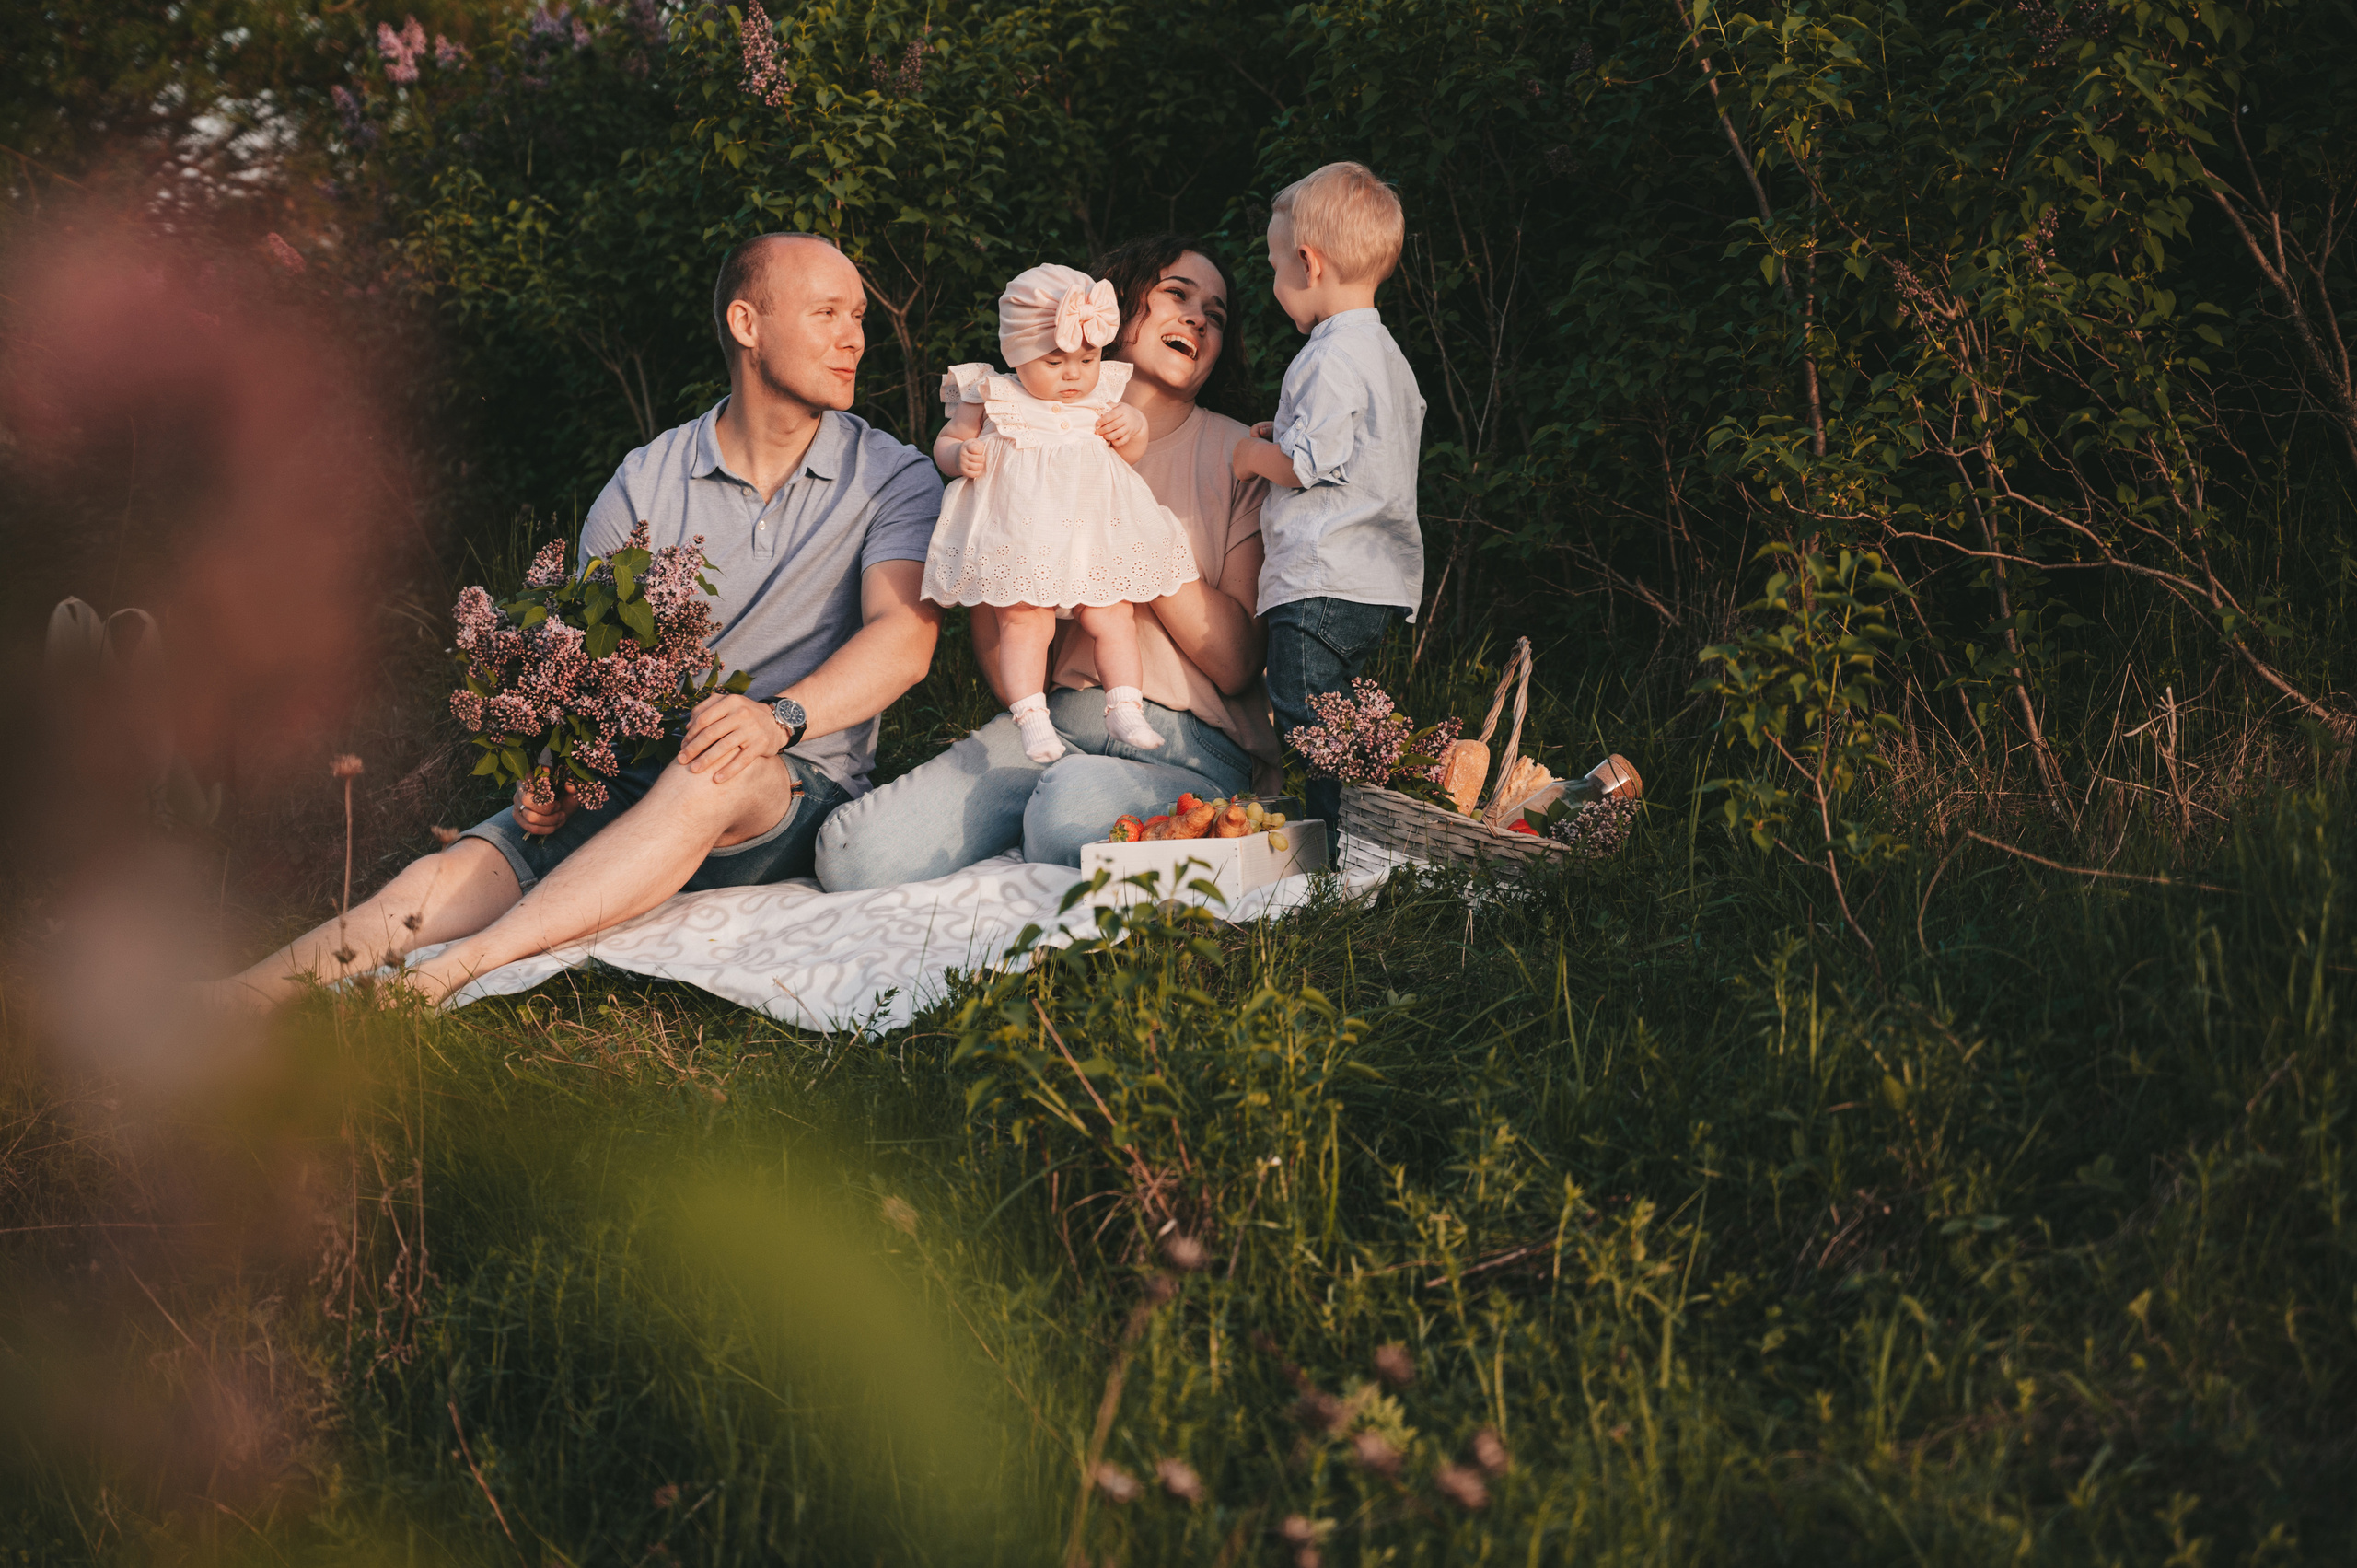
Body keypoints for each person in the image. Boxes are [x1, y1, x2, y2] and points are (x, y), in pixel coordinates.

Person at [211, 233, 944, 1008]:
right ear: (746, 323)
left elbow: (904, 640)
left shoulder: (889, 474)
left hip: (785, 791)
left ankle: (453, 972)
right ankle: (245, 995)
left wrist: (777, 719)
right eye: (827, 312)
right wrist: (556, 768)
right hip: (636, 777)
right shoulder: (647, 481)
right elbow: (589, 668)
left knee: (717, 763)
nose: (854, 337)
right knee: (474, 858)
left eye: (858, 315)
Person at [816, 235, 1278, 889]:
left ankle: (1100, 817)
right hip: (1057, 722)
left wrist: (1134, 534)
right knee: (853, 854)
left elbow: (1234, 663)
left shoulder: (1238, 453)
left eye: (1217, 314)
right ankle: (1057, 808)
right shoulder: (1019, 437)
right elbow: (1000, 645)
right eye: (1177, 294)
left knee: (1065, 812)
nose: (1199, 318)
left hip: (1189, 742)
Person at [922, 263, 1198, 762]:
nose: (1074, 374)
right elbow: (948, 442)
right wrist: (956, 456)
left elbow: (1127, 454)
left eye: (1087, 358)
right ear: (1017, 354)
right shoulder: (991, 392)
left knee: (1115, 614)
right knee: (1027, 625)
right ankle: (1031, 714)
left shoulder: (1103, 395)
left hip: (1091, 535)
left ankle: (1124, 704)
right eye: (1054, 361)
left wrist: (1132, 426)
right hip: (1023, 536)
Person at [1230, 162, 1427, 840]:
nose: (1275, 282)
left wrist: (1255, 454)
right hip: (1373, 575)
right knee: (1340, 710)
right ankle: (1384, 809)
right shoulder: (1384, 355)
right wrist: (1279, 433)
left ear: (1309, 263)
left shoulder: (1326, 356)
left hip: (1323, 571)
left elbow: (1306, 464)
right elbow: (1349, 447)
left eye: (1276, 266)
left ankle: (1344, 836)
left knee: (1304, 707)